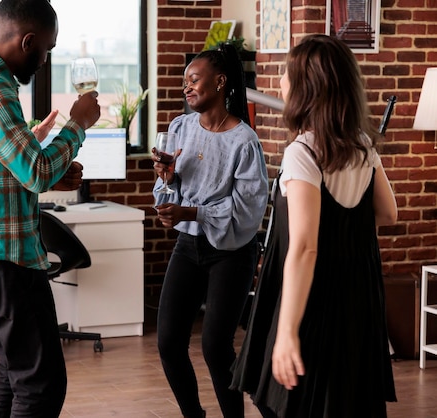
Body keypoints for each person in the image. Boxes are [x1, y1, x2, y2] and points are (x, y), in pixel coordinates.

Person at [0, 0, 100, 416]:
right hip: (0, 261)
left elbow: (11, 168)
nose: (44, 60)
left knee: (11, 374)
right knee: (41, 385)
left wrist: (52, 171)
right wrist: (78, 125)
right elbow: (35, 170)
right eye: (45, 50)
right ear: (27, 40)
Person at [230, 34, 398, 417]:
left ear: (307, 86)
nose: (281, 83)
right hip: (356, 295)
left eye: (288, 74)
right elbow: (388, 213)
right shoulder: (361, 145)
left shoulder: (302, 152)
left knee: (294, 403)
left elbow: (304, 247)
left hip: (313, 299)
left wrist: (287, 332)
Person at [152, 43, 269, 418]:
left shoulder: (244, 141)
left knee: (216, 347)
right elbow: (167, 190)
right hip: (188, 245)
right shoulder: (179, 128)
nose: (186, 87)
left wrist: (190, 211)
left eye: (193, 79)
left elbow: (248, 210)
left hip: (232, 252)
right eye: (184, 81)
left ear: (220, 82)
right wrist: (167, 185)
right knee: (169, 342)